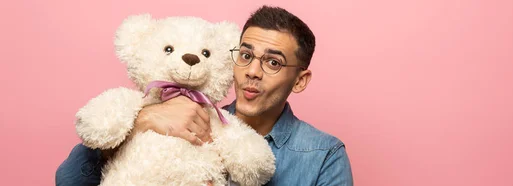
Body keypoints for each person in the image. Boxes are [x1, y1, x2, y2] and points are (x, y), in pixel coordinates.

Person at [56, 5, 353, 186]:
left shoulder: (323, 155)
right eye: (246, 55)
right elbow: (68, 180)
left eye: (273, 62)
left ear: (300, 81)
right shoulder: (187, 116)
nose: (253, 71)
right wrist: (143, 121)